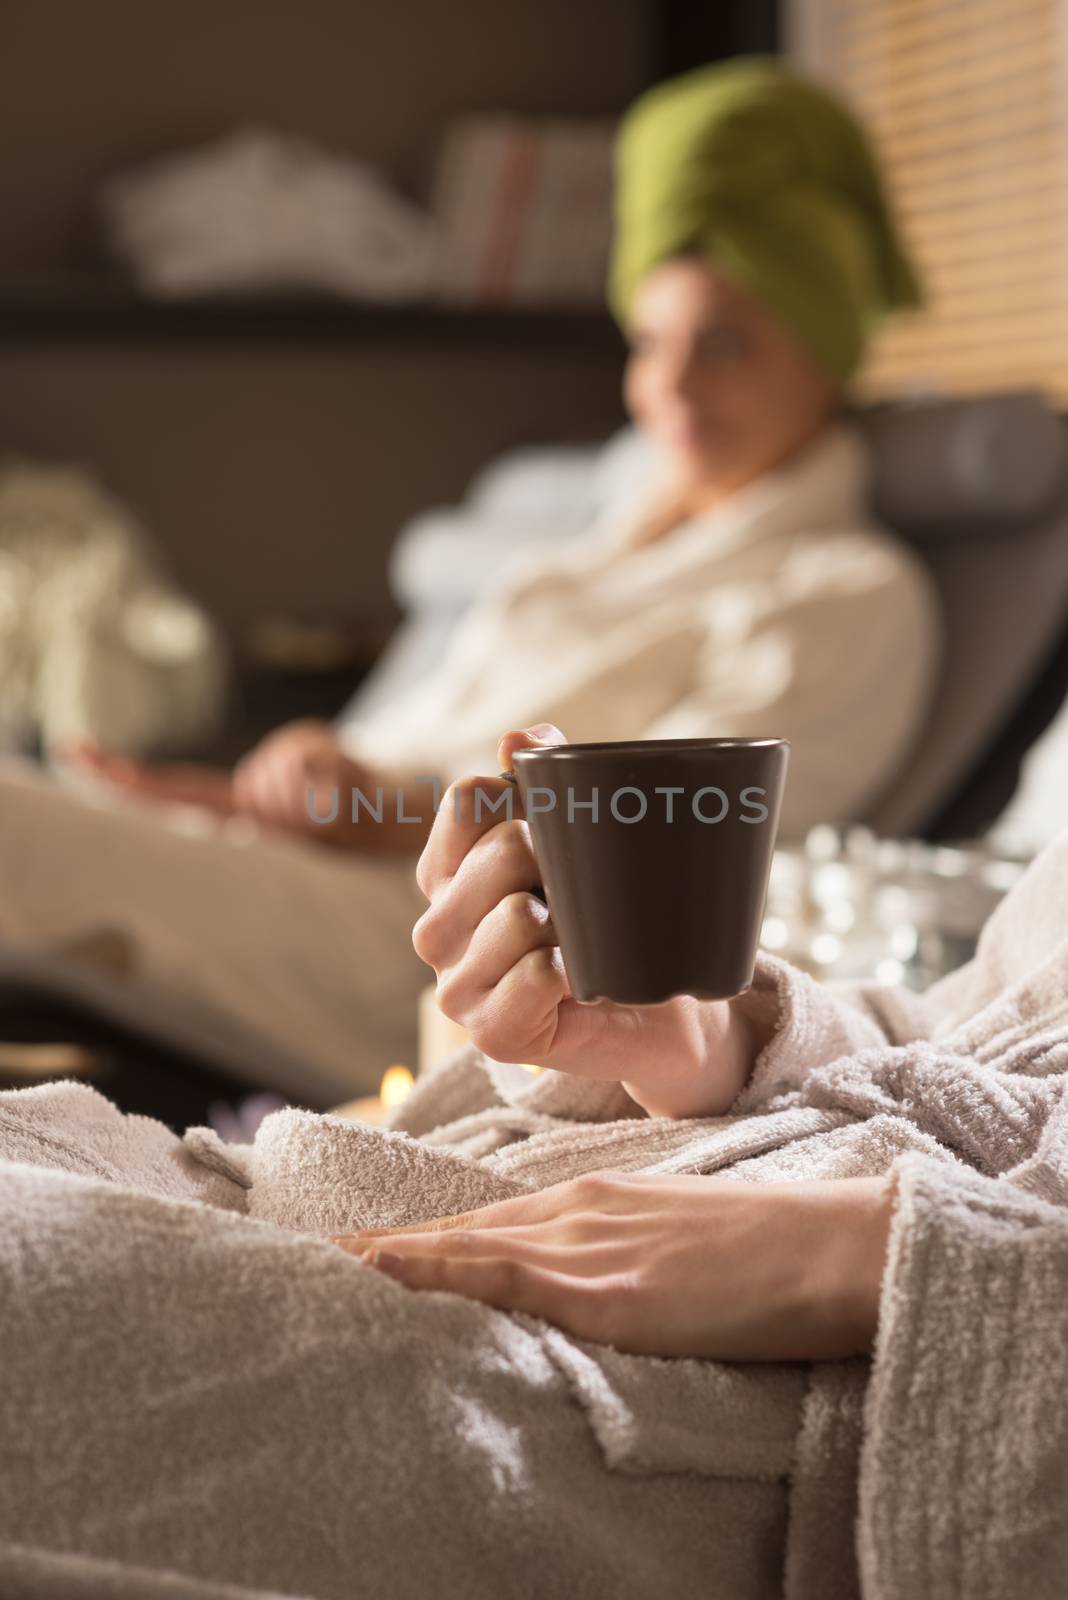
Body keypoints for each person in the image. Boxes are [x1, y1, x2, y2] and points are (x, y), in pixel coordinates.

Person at [0, 58, 939, 1095]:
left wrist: (361, 811)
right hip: (338, 866)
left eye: (723, 345)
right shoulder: (606, 545)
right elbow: (391, 770)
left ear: (824, 352)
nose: (667, 387)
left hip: (459, 949)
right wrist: (262, 794)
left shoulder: (848, 596)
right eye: (649, 341)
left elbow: (654, 876)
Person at [1, 721, 1066, 1598]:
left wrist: (878, 1255)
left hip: (902, 1394)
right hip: (697, 1178)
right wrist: (705, 1043)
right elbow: (964, 1028)